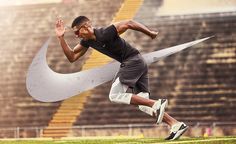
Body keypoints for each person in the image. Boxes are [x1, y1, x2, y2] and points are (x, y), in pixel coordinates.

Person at [55, 16, 188, 140]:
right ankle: (175, 124)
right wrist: (61, 38)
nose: (76, 36)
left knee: (115, 95)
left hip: (133, 61)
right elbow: (72, 57)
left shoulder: (105, 32)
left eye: (77, 32)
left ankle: (156, 103)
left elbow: (129, 23)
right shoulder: (87, 42)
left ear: (85, 27)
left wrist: (150, 33)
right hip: (138, 63)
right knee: (143, 105)